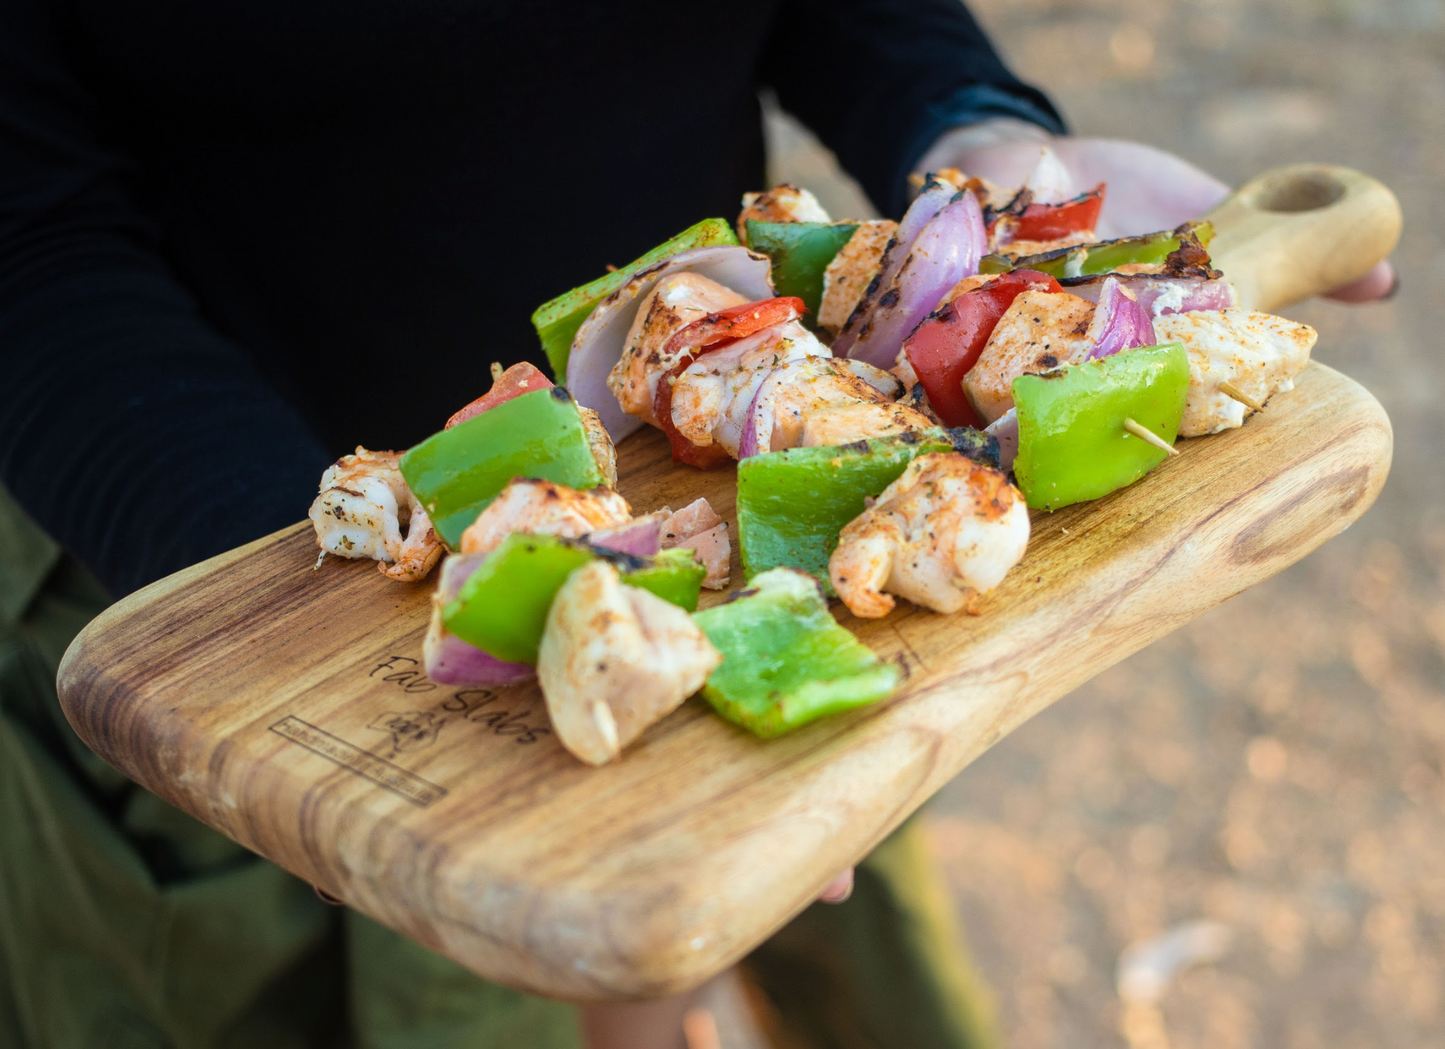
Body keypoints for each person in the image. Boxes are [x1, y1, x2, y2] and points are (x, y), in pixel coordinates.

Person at [0, 2, 1392, 1047]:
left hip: (740, 503)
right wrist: (321, 584)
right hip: (212, 557)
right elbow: (31, 242)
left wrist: (974, 126)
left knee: (845, 921)